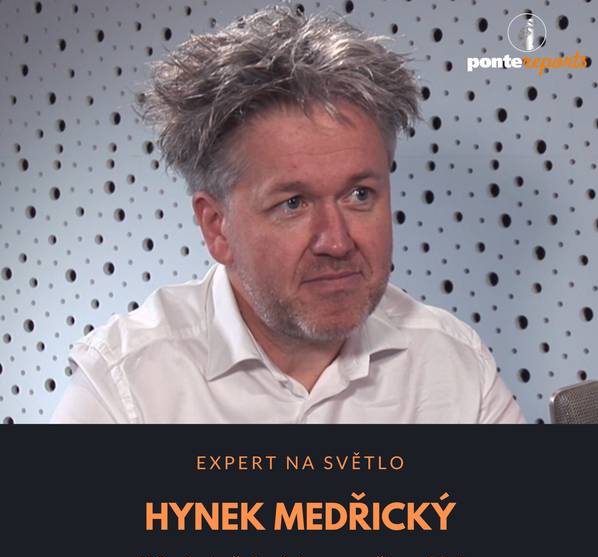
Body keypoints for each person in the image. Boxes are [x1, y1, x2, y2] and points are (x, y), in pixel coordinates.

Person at [51, 5, 526, 424]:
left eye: (359, 194)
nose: (336, 242)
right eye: (293, 204)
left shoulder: (453, 364)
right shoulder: (126, 387)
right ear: (217, 227)